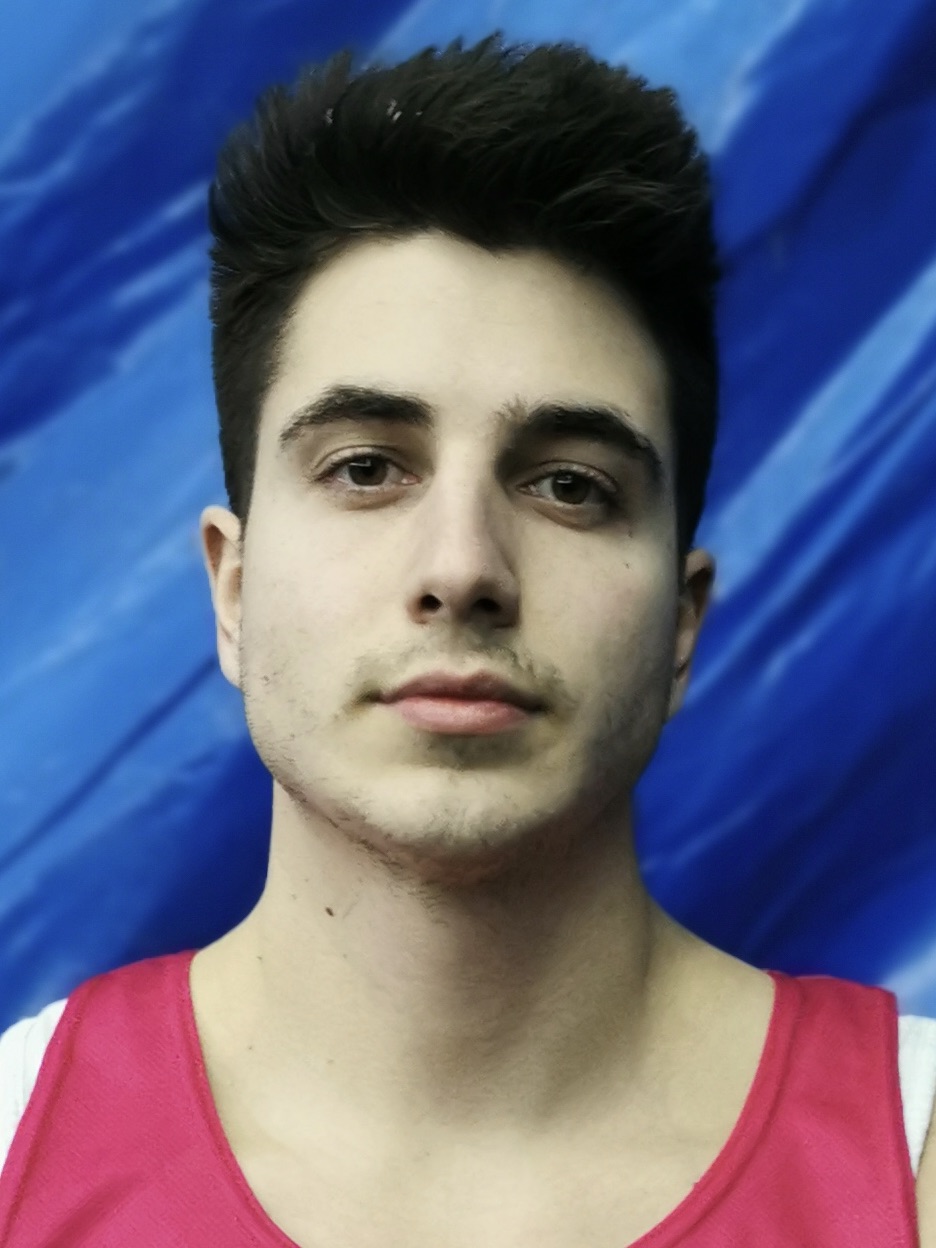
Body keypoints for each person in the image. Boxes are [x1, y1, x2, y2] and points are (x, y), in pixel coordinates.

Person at [0, 31, 934, 1246]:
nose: (462, 568)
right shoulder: (14, 1144)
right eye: (367, 467)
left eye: (570, 486)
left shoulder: (914, 1158)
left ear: (681, 625)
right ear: (232, 589)